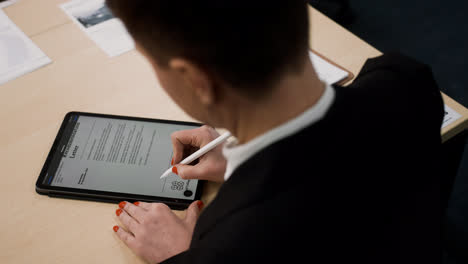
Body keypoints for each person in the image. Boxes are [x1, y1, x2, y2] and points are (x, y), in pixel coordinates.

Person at [106, 1, 444, 263]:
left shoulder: (229, 243)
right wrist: (243, 164)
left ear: (196, 80)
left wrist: (184, 255)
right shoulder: (404, 80)